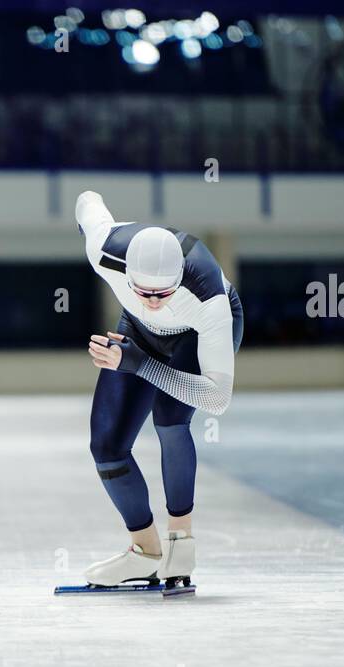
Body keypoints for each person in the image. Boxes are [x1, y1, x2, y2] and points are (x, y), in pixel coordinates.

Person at [75, 191, 243, 587]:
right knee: (106, 446)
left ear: (179, 280)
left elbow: (217, 399)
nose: (152, 300)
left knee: (170, 420)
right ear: (125, 271)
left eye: (163, 294)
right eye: (142, 291)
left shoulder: (209, 300)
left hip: (193, 335)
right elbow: (88, 200)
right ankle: (145, 552)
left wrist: (139, 364)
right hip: (138, 331)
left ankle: (180, 543)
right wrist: (137, 356)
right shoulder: (105, 249)